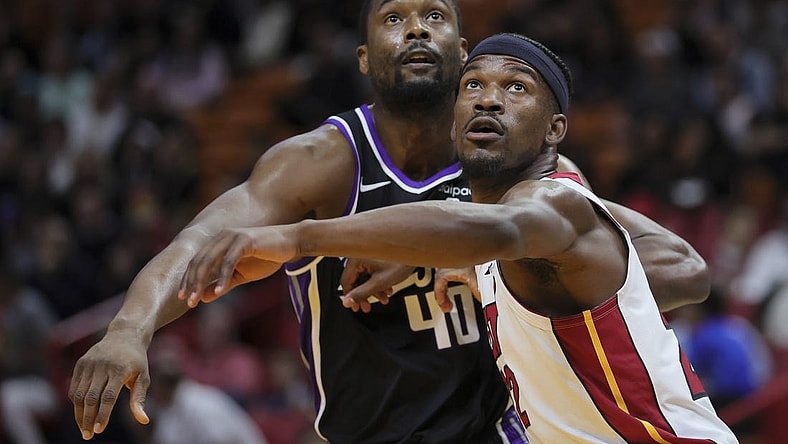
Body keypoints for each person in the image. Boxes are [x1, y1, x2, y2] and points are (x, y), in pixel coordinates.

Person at [69, 1, 708, 442]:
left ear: (462, 54)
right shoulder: (320, 164)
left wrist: (460, 253)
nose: (415, 31)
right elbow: (205, 244)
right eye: (393, 19)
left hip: (500, 432)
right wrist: (130, 328)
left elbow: (617, 276)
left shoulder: (519, 167)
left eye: (435, 17)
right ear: (365, 59)